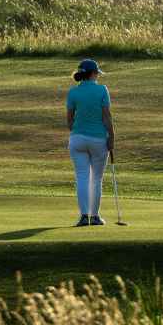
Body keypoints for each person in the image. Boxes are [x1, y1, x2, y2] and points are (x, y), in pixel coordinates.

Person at [65, 57, 115, 227]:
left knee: (82, 177)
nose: (98, 76)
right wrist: (112, 138)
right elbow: (107, 116)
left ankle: (84, 216)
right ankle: (94, 217)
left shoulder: (73, 92)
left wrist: (78, 131)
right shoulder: (102, 90)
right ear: (93, 73)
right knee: (96, 179)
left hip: (77, 139)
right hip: (98, 139)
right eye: (97, 73)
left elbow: (69, 121)